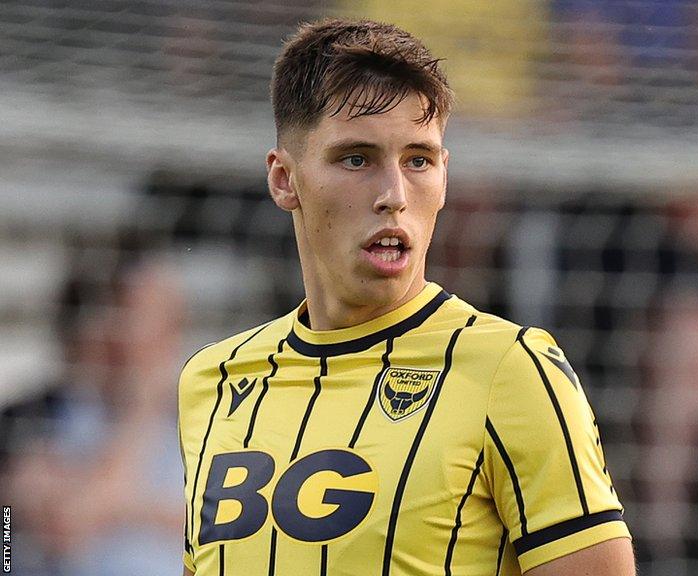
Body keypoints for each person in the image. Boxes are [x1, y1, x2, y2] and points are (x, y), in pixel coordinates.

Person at [178, 18, 633, 576]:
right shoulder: (211, 381)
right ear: (283, 180)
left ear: (444, 174)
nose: (394, 195)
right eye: (356, 159)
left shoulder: (510, 370)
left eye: (418, 159)